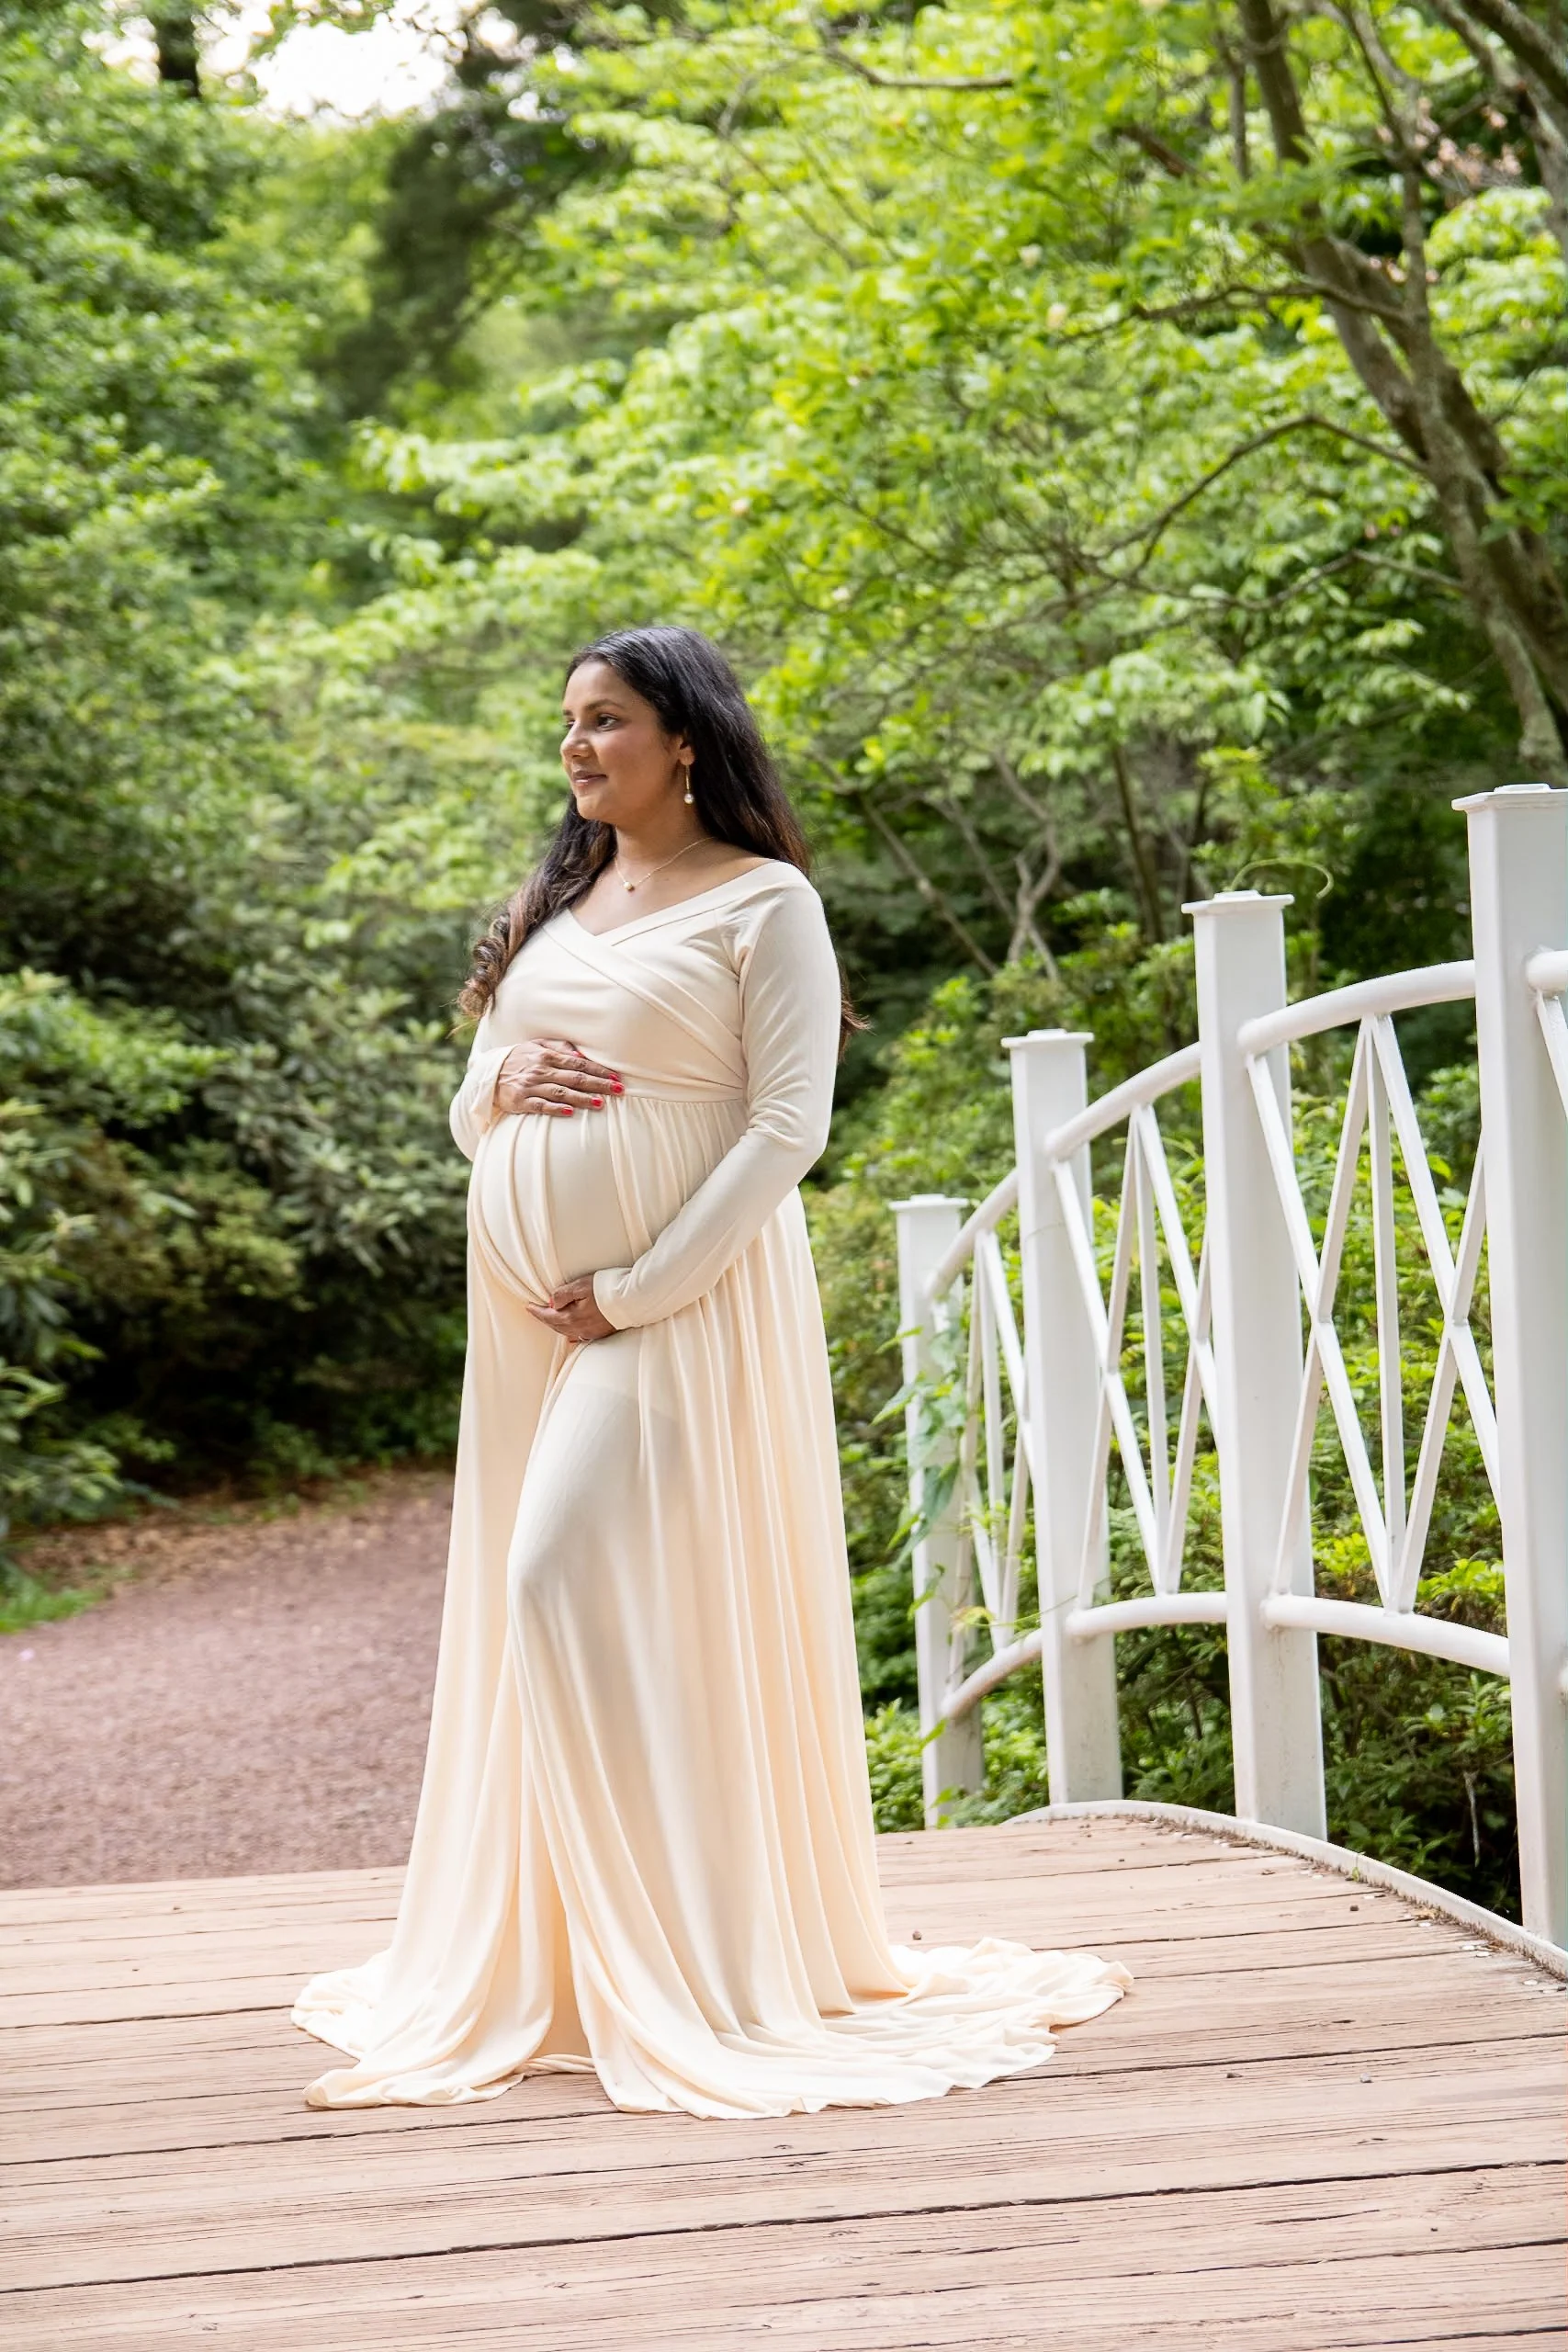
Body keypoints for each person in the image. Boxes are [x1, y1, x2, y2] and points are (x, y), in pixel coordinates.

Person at [291, 624, 1129, 2118]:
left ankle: (673, 1956)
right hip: (533, 1318)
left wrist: (639, 1285)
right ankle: (560, 1952)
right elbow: (470, 1108)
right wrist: (500, 1089)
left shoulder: (767, 903)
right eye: (566, 722)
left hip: (678, 1305)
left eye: (604, 720)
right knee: (549, 1590)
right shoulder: (556, 897)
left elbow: (787, 1127)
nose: (574, 747)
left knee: (555, 1574)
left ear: (685, 738)